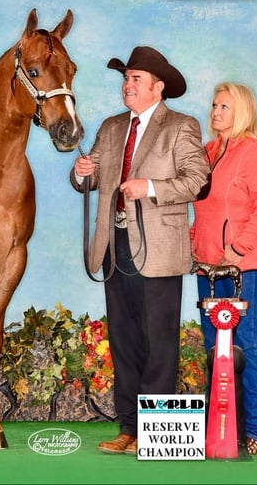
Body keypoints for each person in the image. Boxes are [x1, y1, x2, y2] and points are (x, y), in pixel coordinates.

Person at [71, 46, 210, 455]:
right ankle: (128, 429)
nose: (127, 85)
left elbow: (196, 180)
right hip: (115, 247)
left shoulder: (181, 126)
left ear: (158, 87)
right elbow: (90, 178)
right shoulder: (113, 127)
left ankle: (156, 433)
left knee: (159, 342)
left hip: (159, 247)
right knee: (124, 340)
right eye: (125, 78)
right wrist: (83, 174)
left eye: (135, 79)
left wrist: (148, 187)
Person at [190, 82, 257, 455]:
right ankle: (220, 430)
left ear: (240, 111)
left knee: (248, 344)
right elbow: (199, 209)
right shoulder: (207, 152)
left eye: (223, 106)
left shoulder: (252, 151)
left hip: (242, 268)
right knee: (214, 348)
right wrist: (194, 244)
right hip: (205, 268)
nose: (215, 112)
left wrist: (238, 246)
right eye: (213, 105)